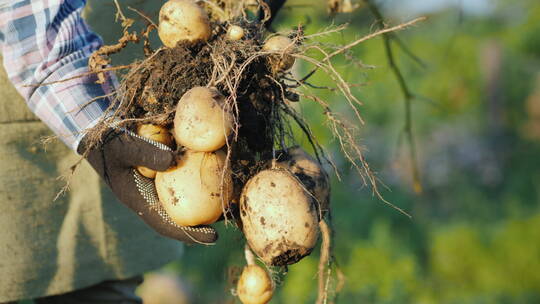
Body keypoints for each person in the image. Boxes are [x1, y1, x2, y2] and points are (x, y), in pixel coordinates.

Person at [0, 1, 217, 303]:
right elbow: (30, 25)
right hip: (44, 75)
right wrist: (98, 132)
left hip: (143, 79)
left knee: (103, 284)